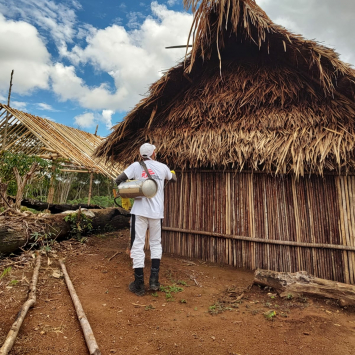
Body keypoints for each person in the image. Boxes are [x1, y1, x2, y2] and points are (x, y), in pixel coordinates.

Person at [115, 143, 177, 296]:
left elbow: (118, 180)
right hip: (157, 213)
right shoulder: (163, 167)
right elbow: (174, 178)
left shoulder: (136, 166)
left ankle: (139, 283)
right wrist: (170, 172)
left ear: (141, 154)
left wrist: (133, 186)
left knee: (138, 244)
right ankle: (154, 281)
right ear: (154, 153)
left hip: (140, 212)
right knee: (156, 244)